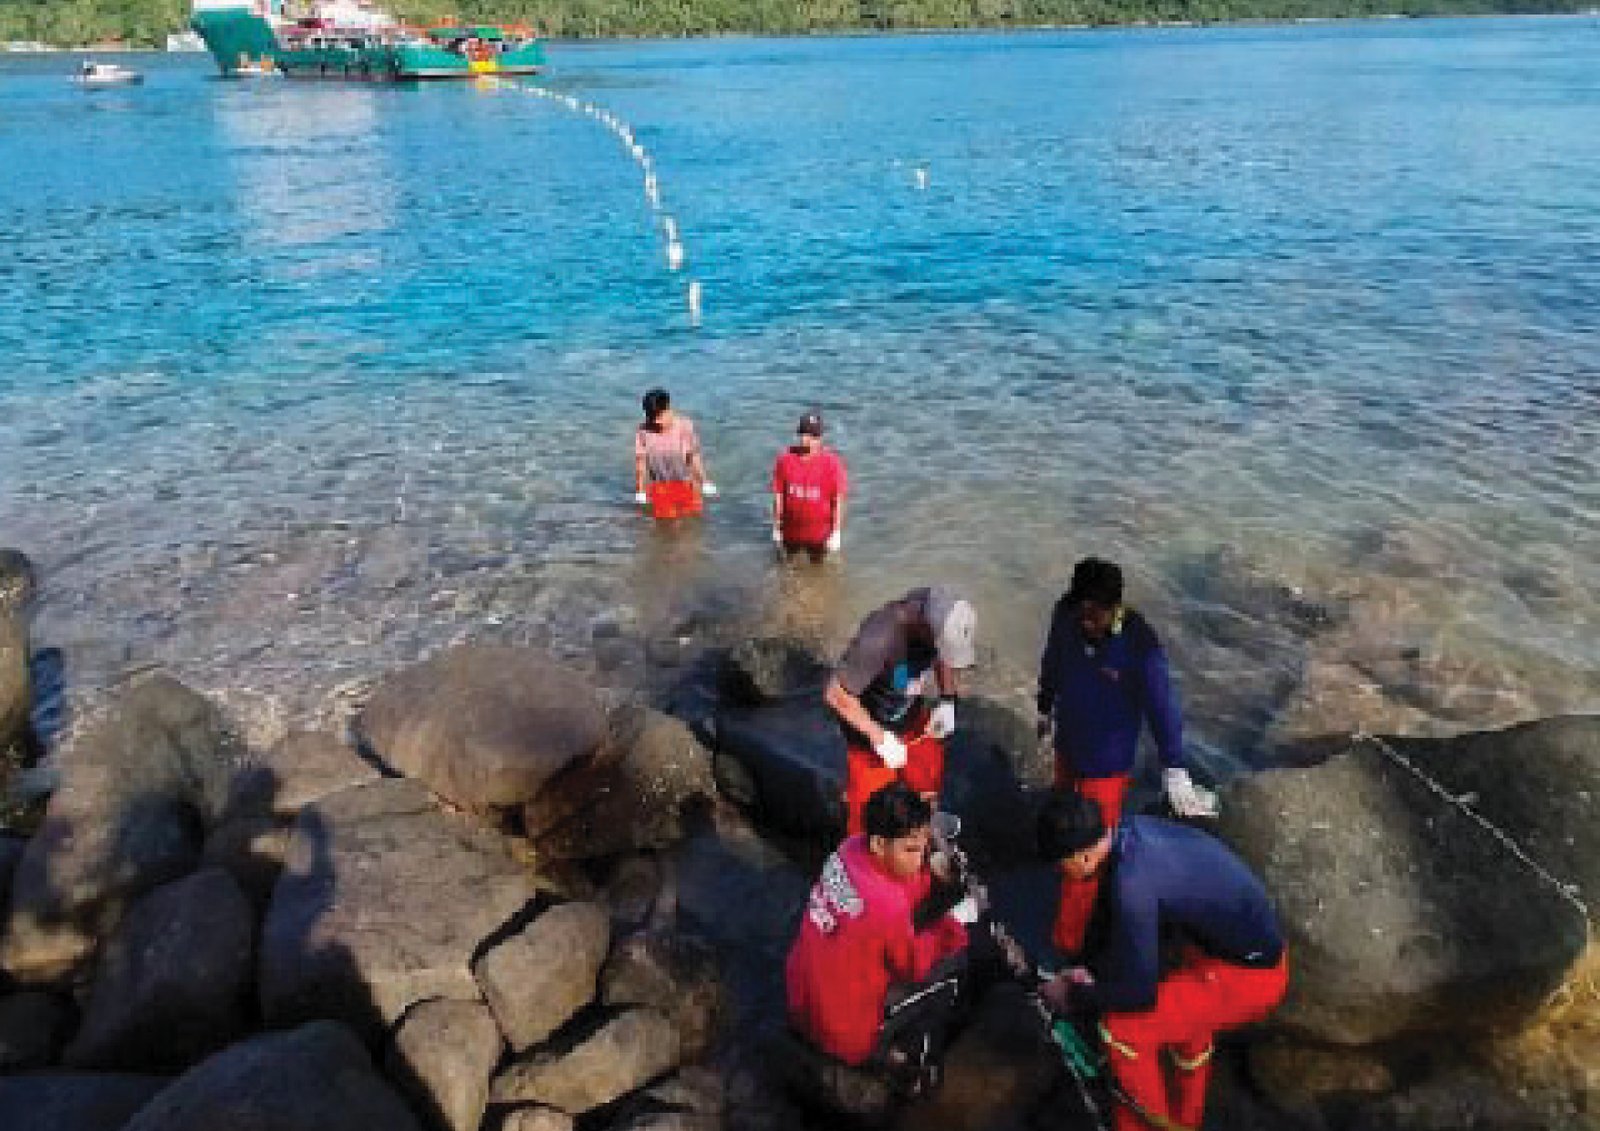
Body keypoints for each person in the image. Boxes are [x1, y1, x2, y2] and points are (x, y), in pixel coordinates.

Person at [1036, 792, 1288, 1131]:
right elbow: (1115, 921)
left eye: (1060, 865)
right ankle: (1188, 1118)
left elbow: (1139, 995)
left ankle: (1147, 1126)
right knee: (1181, 1015)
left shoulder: (1132, 886)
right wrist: (1092, 970)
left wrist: (1073, 995)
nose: (1060, 873)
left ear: (1082, 857)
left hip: (1248, 979)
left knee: (1121, 1030)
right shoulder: (1129, 834)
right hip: (1225, 948)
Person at [1035, 557, 1215, 955]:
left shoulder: (1140, 646)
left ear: (1115, 608)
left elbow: (1163, 708)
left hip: (1106, 765)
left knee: (1086, 852)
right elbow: (1053, 657)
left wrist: (1173, 766)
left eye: (1095, 615)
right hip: (1069, 745)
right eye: (1082, 612)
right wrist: (1044, 705)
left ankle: (1068, 944)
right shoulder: (1065, 614)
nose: (1087, 622)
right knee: (1061, 828)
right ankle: (1072, 892)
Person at [786, 783, 978, 1086]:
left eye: (924, 847)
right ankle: (910, 1064)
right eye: (911, 850)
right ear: (878, 843)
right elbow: (913, 966)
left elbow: (896, 887)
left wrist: (931, 877)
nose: (920, 858)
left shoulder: (848, 849)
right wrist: (953, 923)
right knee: (954, 967)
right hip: (843, 1033)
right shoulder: (887, 906)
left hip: (800, 1000)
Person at [826, 586, 976, 837]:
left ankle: (923, 832)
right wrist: (880, 739)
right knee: (869, 814)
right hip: (870, 734)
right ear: (925, 627)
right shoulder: (879, 638)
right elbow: (835, 694)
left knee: (927, 780)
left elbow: (943, 658)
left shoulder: (936, 613)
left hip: (911, 717)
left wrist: (948, 699)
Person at [771, 411, 847, 560]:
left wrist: (836, 532)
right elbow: (778, 495)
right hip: (790, 531)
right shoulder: (785, 460)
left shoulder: (832, 463)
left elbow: (838, 499)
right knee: (786, 563)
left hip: (819, 534)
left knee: (818, 566)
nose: (808, 439)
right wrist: (776, 526)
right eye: (804, 434)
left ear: (820, 438)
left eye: (813, 435)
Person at [633, 388, 717, 519]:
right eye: (651, 417)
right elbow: (641, 464)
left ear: (668, 409)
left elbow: (693, 457)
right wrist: (640, 491)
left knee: (692, 522)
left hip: (687, 484)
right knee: (665, 524)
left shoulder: (684, 426)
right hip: (660, 486)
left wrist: (705, 482)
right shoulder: (643, 432)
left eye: (659, 416)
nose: (656, 421)